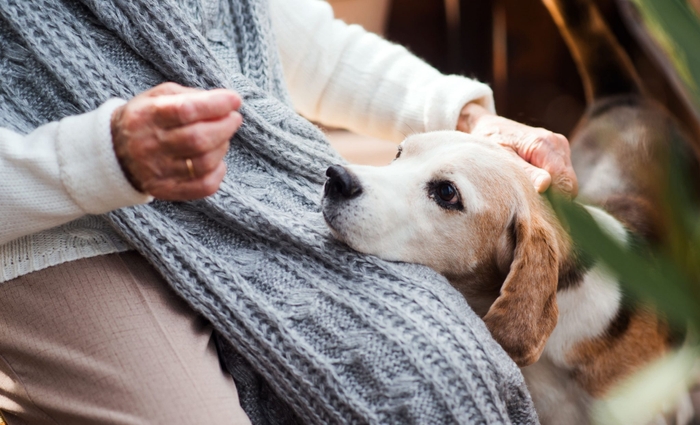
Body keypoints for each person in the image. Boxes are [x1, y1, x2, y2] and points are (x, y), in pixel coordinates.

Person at [0, 0, 576, 423]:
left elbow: (307, 47)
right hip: (60, 231)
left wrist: (468, 119)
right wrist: (103, 157)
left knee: (449, 376)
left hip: (255, 195)